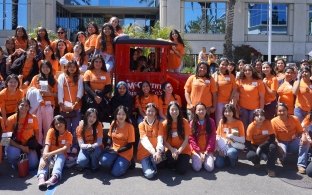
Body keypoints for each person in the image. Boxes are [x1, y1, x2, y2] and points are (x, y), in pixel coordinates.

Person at [271, 103, 310, 174]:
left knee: (306, 142)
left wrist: (304, 137)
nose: (282, 112)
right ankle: (281, 157)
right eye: (279, 111)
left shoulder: (294, 119)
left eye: (284, 110)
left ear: (287, 111)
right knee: (282, 153)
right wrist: (278, 146)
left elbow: (301, 131)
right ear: (277, 112)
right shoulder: (273, 121)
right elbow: (274, 137)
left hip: (293, 141)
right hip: (281, 142)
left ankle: (301, 165)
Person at [37, 115, 72, 190]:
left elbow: (64, 149)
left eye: (60, 123)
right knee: (43, 160)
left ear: (65, 123)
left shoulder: (69, 135)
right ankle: (41, 177)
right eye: (56, 124)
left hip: (60, 154)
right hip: (50, 153)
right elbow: (47, 145)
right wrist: (44, 157)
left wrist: (50, 154)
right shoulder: (51, 131)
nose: (58, 125)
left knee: (60, 157)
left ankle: (55, 177)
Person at [99, 106, 135, 177]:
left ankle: (129, 162)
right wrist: (108, 145)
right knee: (103, 161)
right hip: (114, 149)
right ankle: (117, 161)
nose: (121, 116)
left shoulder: (130, 127)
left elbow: (130, 145)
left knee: (115, 173)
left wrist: (118, 151)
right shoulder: (113, 123)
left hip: (125, 152)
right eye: (119, 114)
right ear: (116, 115)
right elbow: (109, 137)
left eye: (123, 114)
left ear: (126, 115)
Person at [5, 99, 39, 170]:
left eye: (26, 105)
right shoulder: (10, 119)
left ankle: (25, 158)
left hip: (28, 145)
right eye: (22, 105)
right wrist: (21, 147)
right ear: (18, 106)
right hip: (15, 145)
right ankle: (15, 163)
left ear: (29, 107)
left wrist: (31, 147)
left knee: (33, 165)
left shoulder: (34, 118)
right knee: (12, 155)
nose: (24, 107)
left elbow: (37, 134)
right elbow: (5, 139)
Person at [29, 60, 57, 144]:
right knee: (37, 126)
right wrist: (37, 91)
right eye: (43, 67)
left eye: (47, 67)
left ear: (50, 68)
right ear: (40, 68)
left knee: (48, 126)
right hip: (37, 105)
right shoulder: (36, 78)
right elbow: (30, 90)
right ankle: (38, 144)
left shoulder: (54, 80)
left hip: (48, 105)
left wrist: (49, 93)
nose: (45, 69)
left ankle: (47, 144)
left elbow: (57, 95)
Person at [58, 60, 83, 151]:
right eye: (70, 66)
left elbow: (80, 92)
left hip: (76, 107)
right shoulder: (62, 77)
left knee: (76, 128)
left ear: (76, 68)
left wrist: (74, 104)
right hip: (64, 107)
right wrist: (62, 105)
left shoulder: (79, 77)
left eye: (74, 67)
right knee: (66, 127)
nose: (72, 68)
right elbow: (60, 92)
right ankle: (67, 146)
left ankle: (75, 146)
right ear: (67, 67)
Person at [245, 109, 277, 177]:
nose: (260, 117)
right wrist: (258, 151)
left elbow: (272, 138)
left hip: (265, 144)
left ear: (264, 117)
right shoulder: (251, 126)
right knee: (250, 156)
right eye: (257, 115)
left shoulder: (268, 123)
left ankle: (270, 168)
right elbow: (247, 143)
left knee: (273, 147)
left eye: (262, 115)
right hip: (254, 146)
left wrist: (261, 147)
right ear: (254, 117)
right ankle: (257, 161)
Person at [137, 103, 164, 179]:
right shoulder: (141, 125)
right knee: (149, 175)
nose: (150, 113)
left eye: (153, 111)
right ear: (145, 111)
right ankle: (150, 164)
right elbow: (144, 140)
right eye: (149, 111)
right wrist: (153, 152)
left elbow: (160, 139)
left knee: (160, 161)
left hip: (156, 152)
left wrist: (158, 151)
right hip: (145, 153)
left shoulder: (159, 124)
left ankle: (154, 163)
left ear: (155, 112)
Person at [162, 101, 191, 174]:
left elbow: (186, 140)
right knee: (171, 161)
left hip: (183, 150)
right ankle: (171, 163)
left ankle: (178, 163)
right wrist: (172, 150)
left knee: (181, 171)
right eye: (172, 110)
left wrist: (178, 151)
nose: (174, 111)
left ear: (179, 110)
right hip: (170, 149)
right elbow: (164, 141)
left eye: (176, 109)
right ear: (168, 111)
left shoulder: (185, 122)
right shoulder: (165, 123)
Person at [83, 54, 112, 122]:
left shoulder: (106, 73)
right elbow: (86, 86)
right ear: (93, 62)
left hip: (102, 96)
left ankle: (99, 126)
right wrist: (95, 96)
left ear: (102, 63)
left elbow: (109, 87)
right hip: (91, 96)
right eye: (96, 61)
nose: (98, 63)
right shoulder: (88, 72)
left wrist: (100, 95)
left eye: (100, 62)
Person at [215, 104, 245, 168]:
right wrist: (219, 150)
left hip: (233, 145)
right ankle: (226, 158)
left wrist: (232, 138)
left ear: (233, 112)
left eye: (230, 111)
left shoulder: (239, 123)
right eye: (225, 111)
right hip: (223, 146)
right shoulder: (222, 121)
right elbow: (217, 136)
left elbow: (242, 139)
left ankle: (233, 160)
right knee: (219, 165)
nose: (227, 113)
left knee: (231, 153)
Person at [236, 64, 265, 130]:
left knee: (253, 125)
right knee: (244, 125)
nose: (247, 72)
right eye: (245, 70)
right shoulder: (239, 81)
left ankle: (252, 139)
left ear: (252, 71)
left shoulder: (258, 81)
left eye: (249, 70)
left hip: (255, 108)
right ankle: (245, 139)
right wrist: (237, 107)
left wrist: (261, 109)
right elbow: (235, 94)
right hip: (243, 108)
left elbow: (262, 97)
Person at [189, 103, 216, 172]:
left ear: (206, 110)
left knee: (209, 168)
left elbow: (212, 138)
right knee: (197, 168)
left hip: (208, 150)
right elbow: (191, 139)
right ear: (195, 111)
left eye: (203, 109)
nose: (201, 111)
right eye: (199, 110)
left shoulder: (211, 121)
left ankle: (207, 158)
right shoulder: (192, 123)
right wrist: (199, 152)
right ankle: (198, 159)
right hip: (196, 151)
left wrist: (207, 152)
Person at [212, 58, 237, 124]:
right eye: (222, 64)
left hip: (228, 101)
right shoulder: (214, 75)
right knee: (219, 119)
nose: (224, 66)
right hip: (218, 102)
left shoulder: (231, 76)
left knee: (229, 118)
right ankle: (220, 132)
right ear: (219, 65)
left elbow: (234, 88)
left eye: (226, 65)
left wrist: (231, 98)